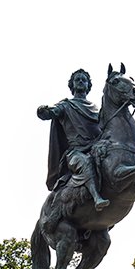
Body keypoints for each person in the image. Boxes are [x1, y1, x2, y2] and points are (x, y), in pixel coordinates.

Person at [38, 69, 109, 211]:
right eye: (78, 79)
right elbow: (52, 112)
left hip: (95, 149)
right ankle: (97, 197)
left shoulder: (97, 109)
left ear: (89, 86)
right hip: (76, 153)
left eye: (84, 80)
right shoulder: (66, 105)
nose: (81, 81)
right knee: (85, 162)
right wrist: (43, 111)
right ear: (72, 85)